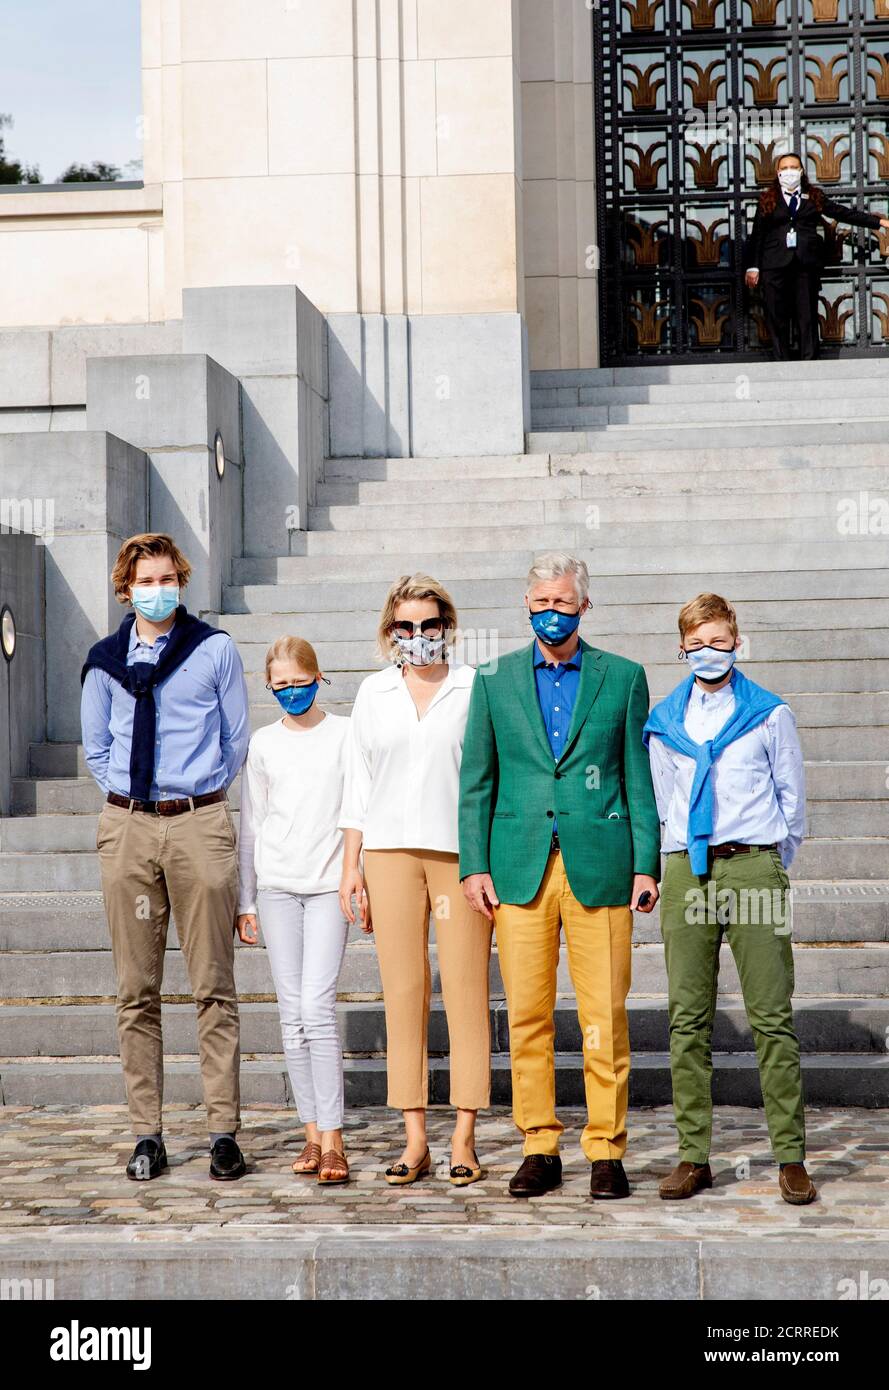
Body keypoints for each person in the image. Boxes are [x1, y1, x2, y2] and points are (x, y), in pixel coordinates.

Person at [459, 552, 660, 1201]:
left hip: (601, 867)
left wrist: (645, 863)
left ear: (583, 606)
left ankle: (606, 1150)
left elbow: (637, 776)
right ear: (527, 605)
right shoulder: (493, 680)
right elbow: (477, 780)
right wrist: (474, 864)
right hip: (519, 869)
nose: (552, 612)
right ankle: (538, 1145)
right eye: (542, 602)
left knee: (604, 1016)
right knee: (527, 1016)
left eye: (563, 602)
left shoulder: (622, 678)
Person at [80, 533, 250, 1182]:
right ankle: (146, 1134)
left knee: (214, 986)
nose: (158, 590)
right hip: (128, 826)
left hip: (198, 822)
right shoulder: (103, 662)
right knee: (136, 991)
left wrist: (194, 796)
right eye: (145, 581)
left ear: (181, 580)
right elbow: (97, 748)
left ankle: (222, 1132)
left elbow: (235, 739)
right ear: (126, 590)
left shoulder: (213, 650)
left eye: (167, 578)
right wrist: (134, 803)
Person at [643, 592, 814, 1206]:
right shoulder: (664, 722)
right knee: (688, 1019)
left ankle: (791, 1157)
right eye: (697, 644)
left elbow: (792, 798)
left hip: (752, 866)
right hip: (687, 872)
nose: (708, 652)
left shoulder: (769, 713)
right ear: (681, 648)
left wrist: (767, 862)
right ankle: (694, 1156)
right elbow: (664, 800)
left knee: (771, 1016)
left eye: (718, 641)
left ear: (736, 643)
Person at [338, 575, 492, 1187]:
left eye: (430, 624)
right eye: (406, 626)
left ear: (447, 627)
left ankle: (464, 1136)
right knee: (403, 991)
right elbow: (357, 782)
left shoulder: (475, 686)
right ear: (389, 631)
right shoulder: (373, 693)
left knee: (466, 990)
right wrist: (351, 867)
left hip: (459, 856)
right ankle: (415, 1137)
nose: (419, 635)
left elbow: (489, 775)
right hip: (388, 854)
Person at [236, 637, 352, 1185]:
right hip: (277, 888)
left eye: (299, 682)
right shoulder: (262, 744)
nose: (290, 691)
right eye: (279, 684)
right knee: (291, 1015)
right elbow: (251, 824)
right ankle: (311, 1133)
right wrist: (246, 900)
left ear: (318, 676)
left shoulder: (346, 734)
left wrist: (359, 876)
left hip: (328, 886)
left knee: (316, 1007)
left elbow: (358, 811)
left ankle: (334, 1137)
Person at [744, 150, 889, 360]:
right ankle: (780, 362)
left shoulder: (813, 196)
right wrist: (753, 267)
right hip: (774, 264)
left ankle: (809, 361)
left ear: (801, 171)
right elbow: (758, 234)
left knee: (807, 314)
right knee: (776, 315)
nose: (789, 172)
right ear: (778, 172)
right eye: (784, 168)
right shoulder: (768, 198)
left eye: (793, 167)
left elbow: (842, 213)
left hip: (805, 263)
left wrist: (880, 222)